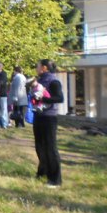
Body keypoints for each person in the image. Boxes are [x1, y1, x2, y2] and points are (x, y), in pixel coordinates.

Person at [32, 59, 64, 188]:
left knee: (50, 148)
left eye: (38, 66)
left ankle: (55, 179)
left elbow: (59, 98)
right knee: (40, 147)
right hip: (38, 116)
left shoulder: (53, 81)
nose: (36, 68)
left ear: (44, 68)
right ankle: (42, 173)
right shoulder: (39, 81)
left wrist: (43, 98)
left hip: (49, 118)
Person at [0, 61, 9, 129]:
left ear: (1, 67)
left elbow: (2, 82)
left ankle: (4, 123)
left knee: (3, 110)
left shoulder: (3, 74)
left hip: (2, 94)